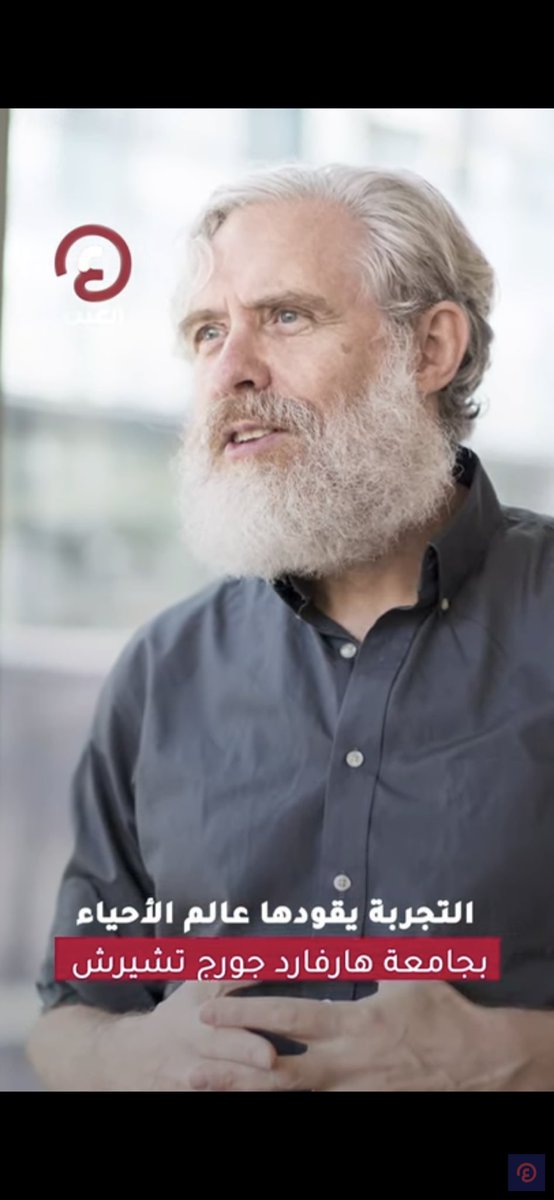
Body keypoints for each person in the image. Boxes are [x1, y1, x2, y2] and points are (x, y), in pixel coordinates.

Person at [26, 163, 554, 1092]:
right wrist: (130, 1054)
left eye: (286, 316)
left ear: (431, 348)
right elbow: (68, 1017)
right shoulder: (163, 667)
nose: (231, 370)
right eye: (207, 332)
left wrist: (510, 1055)